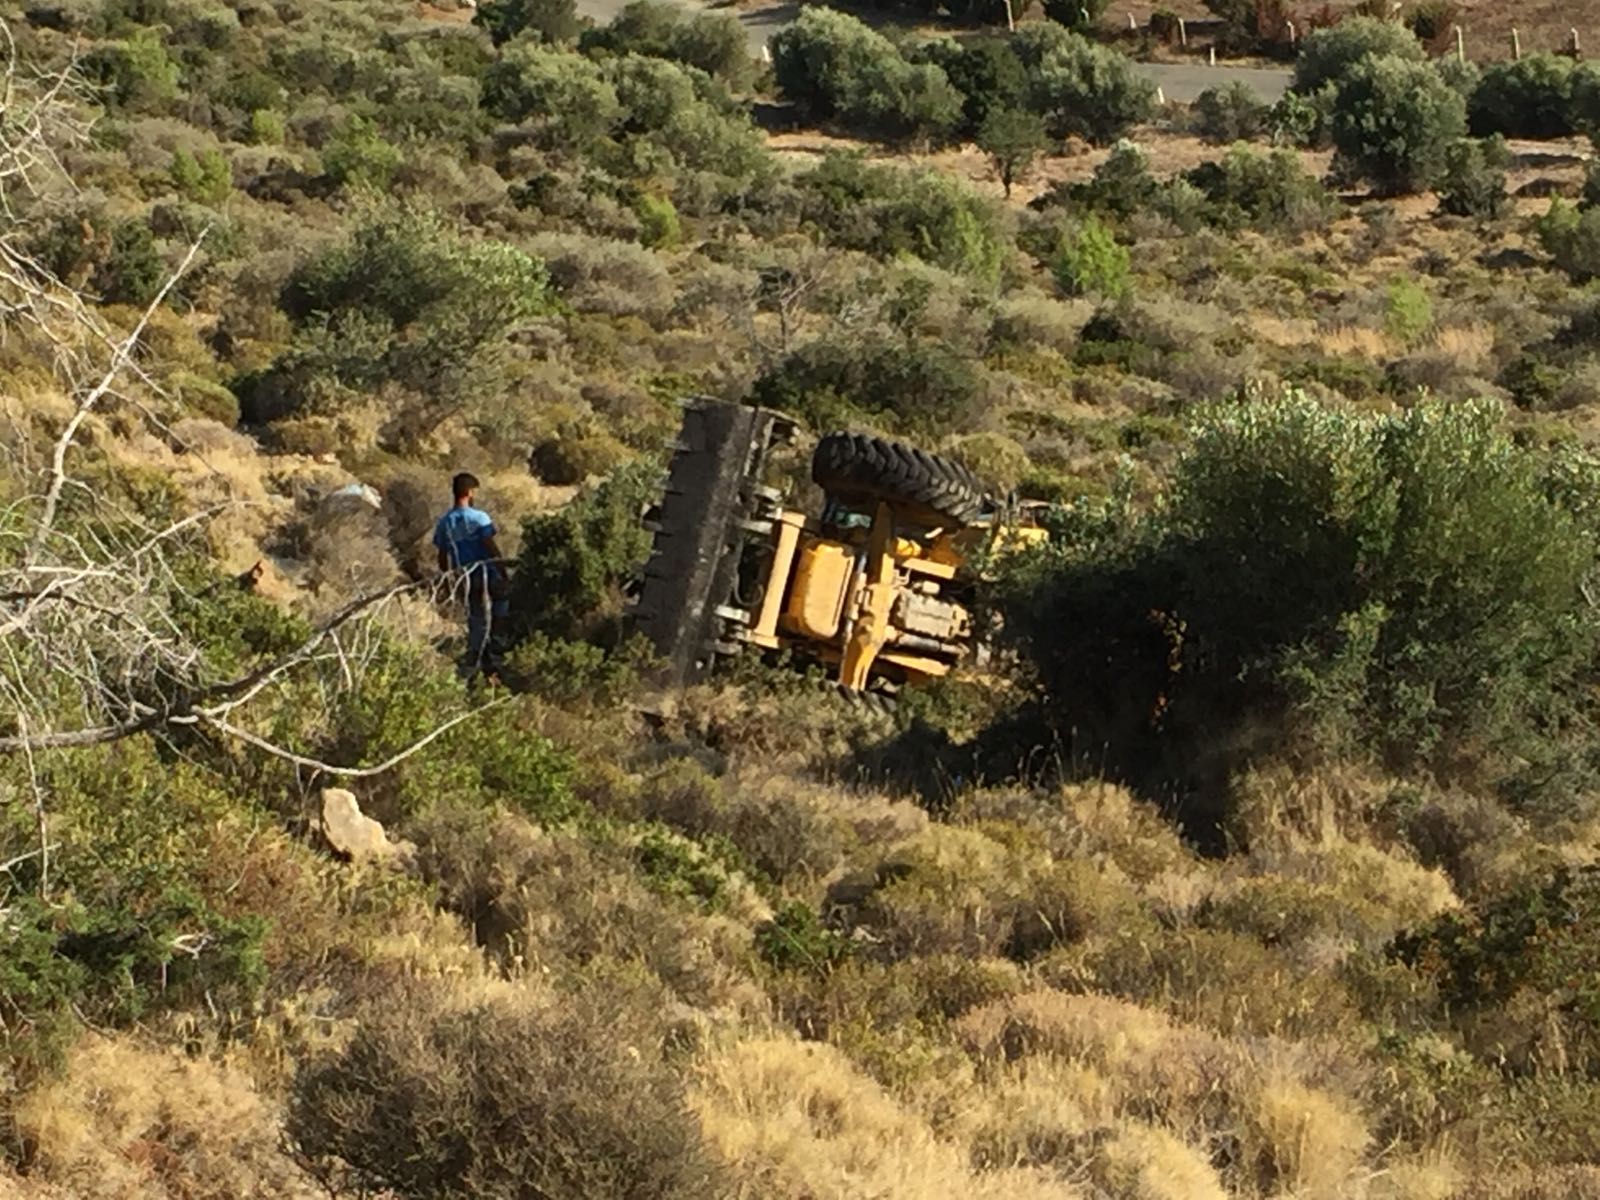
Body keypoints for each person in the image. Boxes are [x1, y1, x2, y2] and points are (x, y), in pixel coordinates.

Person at [434, 472, 507, 679]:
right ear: (469, 492)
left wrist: (449, 579)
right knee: (499, 607)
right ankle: (492, 651)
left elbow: (442, 555)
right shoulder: (479, 518)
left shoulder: (445, 522)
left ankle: (476, 657)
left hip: (463, 577)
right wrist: (502, 570)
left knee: (476, 616)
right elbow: (490, 545)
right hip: (486, 572)